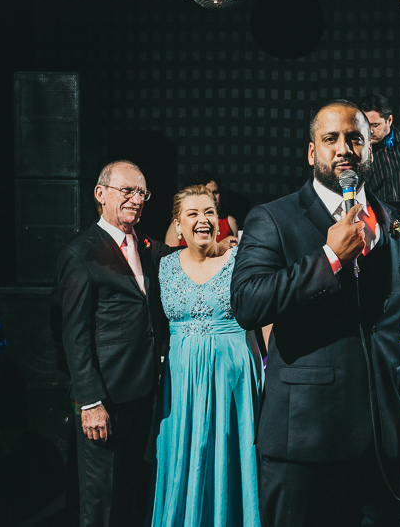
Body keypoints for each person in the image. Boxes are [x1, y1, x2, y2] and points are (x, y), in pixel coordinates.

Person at [230, 99, 400, 526]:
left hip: (380, 438)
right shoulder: (274, 218)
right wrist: (328, 259)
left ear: (370, 149)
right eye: (331, 139)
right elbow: (248, 302)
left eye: (355, 139)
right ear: (312, 152)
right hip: (302, 439)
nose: (344, 148)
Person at [55, 160, 169, 526]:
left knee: (130, 491)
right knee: (99, 498)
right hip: (104, 398)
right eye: (128, 191)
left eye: (142, 193)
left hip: (142, 394)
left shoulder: (146, 246)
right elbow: (73, 334)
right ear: (100, 194)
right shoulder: (80, 253)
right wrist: (90, 401)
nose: (136, 199)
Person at [152, 185, 263, 526]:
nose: (203, 219)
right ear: (178, 224)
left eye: (209, 212)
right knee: (184, 459)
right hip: (181, 385)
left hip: (233, 382)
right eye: (193, 214)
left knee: (230, 457)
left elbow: (265, 319)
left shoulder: (240, 262)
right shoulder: (164, 266)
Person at [164, 172, 239, 248]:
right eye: (207, 192)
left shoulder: (229, 222)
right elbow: (169, 253)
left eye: (215, 192)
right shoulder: (179, 224)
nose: (213, 197)